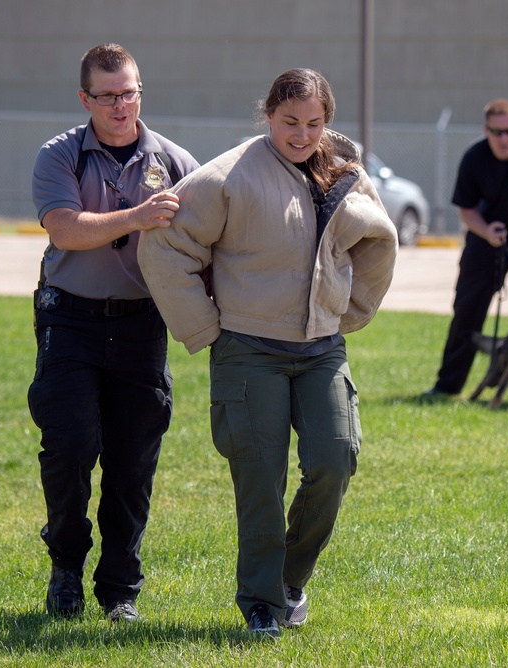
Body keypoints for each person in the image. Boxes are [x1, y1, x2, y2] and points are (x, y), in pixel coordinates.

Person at [138, 68, 398, 638]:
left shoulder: (345, 173)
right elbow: (164, 244)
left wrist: (348, 312)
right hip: (248, 351)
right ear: (269, 116)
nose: (301, 135)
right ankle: (260, 603)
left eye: (313, 123)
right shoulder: (229, 175)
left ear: (326, 122)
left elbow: (380, 239)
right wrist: (204, 328)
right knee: (259, 480)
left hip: (321, 350)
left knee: (335, 460)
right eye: (289, 122)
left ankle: (290, 580)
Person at [28, 43, 199, 623]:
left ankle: (120, 589)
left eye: (130, 92)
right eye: (108, 96)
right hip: (69, 319)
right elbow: (67, 230)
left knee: (132, 463)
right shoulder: (60, 157)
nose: (121, 105)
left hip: (140, 326)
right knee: (70, 446)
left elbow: (208, 241)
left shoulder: (177, 162)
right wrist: (136, 216)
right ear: (86, 99)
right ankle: (66, 571)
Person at [423, 98, 508, 404]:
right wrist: (486, 231)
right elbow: (466, 210)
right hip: (487, 233)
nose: (503, 138)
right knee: (467, 308)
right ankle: (447, 386)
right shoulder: (474, 157)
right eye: (496, 132)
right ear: (485, 130)